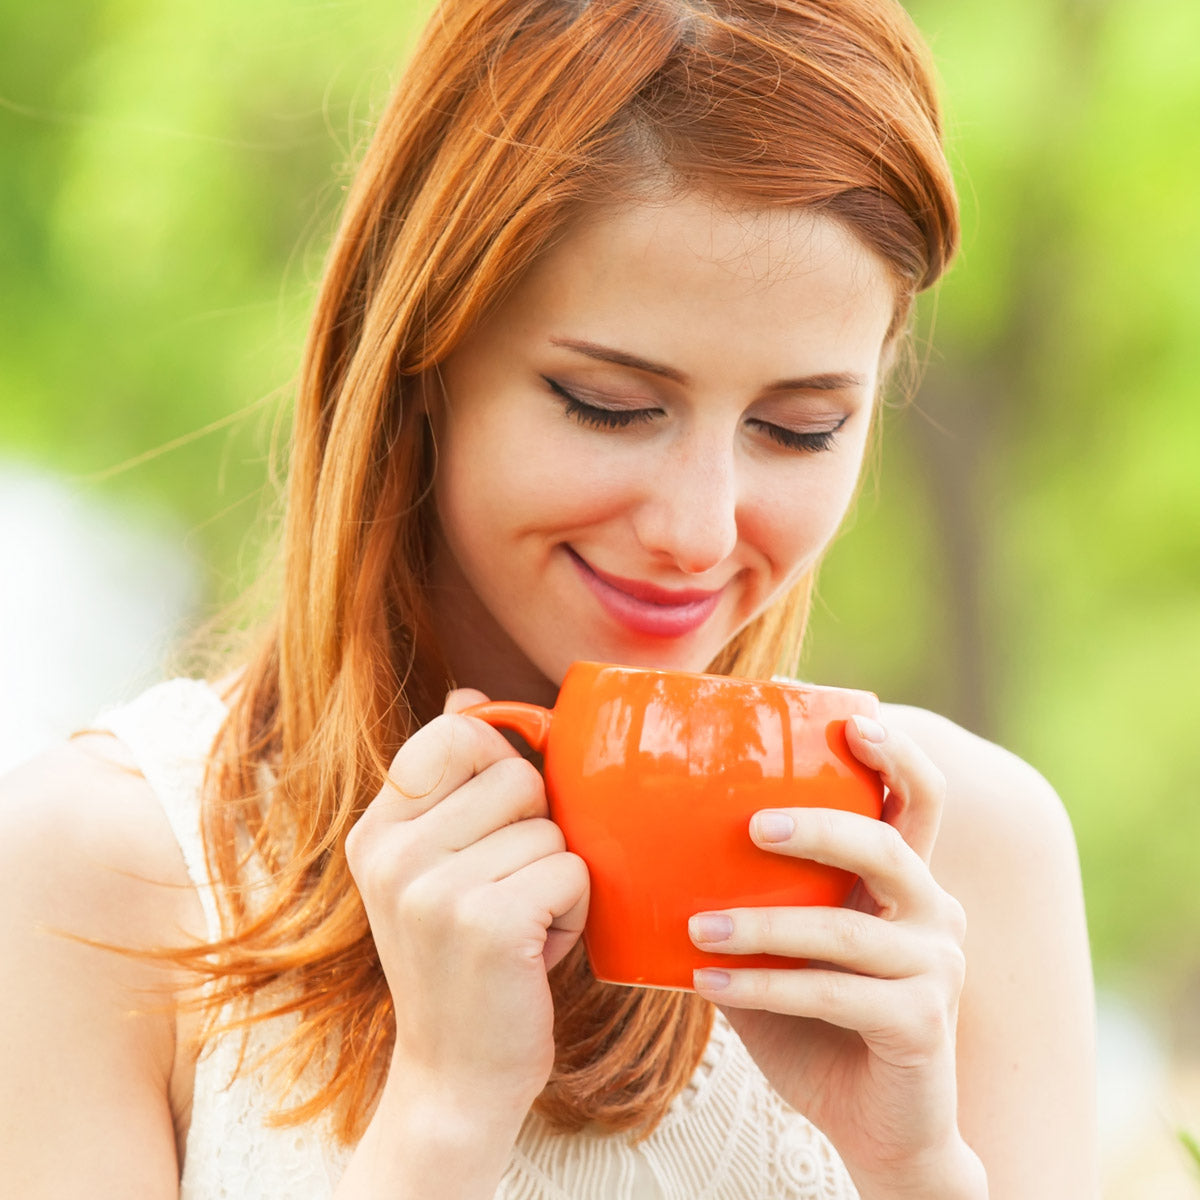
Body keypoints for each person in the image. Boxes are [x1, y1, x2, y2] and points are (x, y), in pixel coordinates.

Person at [0, 0, 1098, 1195]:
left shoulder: (968, 863)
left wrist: (910, 1165)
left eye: (800, 428)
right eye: (611, 406)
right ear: (421, 351)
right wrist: (439, 1120)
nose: (698, 529)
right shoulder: (106, 872)